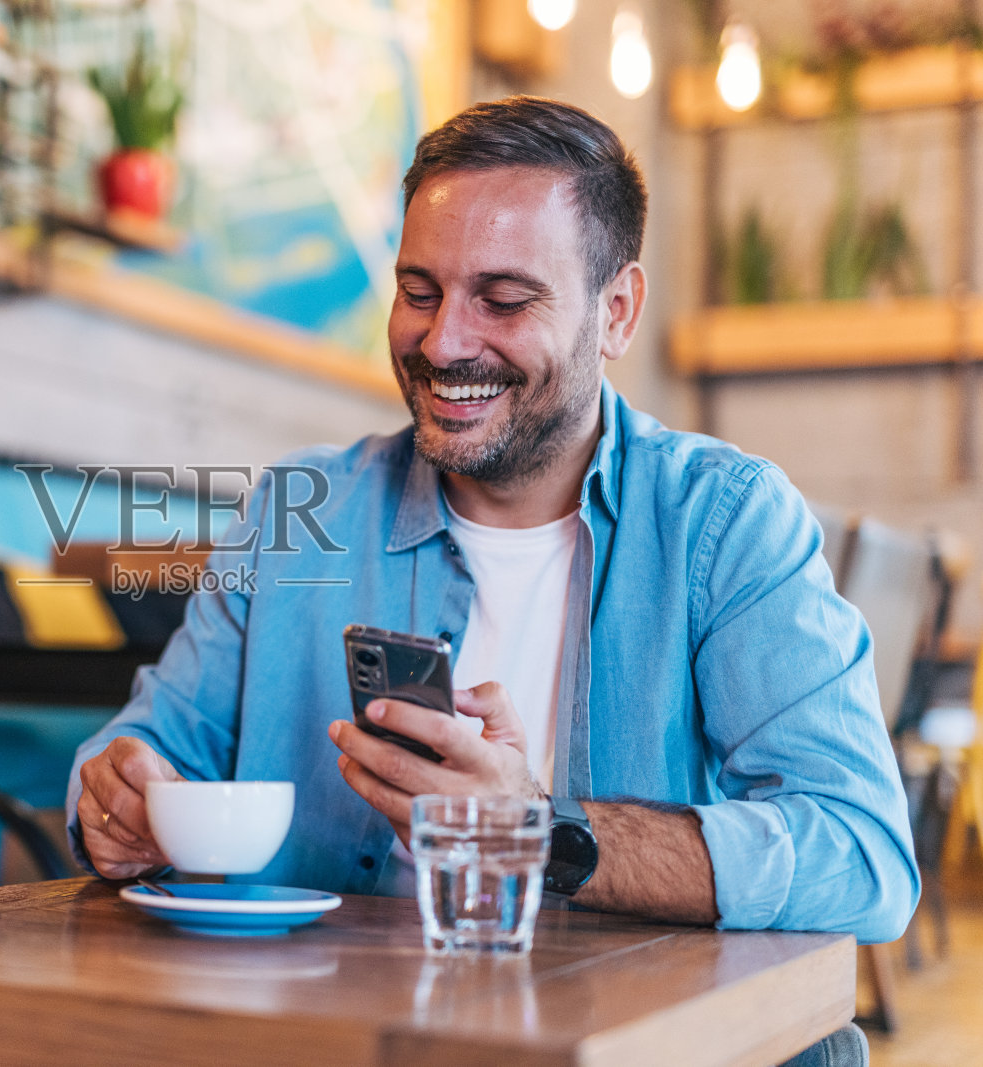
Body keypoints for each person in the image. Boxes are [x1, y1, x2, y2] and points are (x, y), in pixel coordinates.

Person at [65, 96, 918, 948]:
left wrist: (539, 832)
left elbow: (864, 857)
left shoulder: (724, 523)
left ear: (617, 312)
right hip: (316, 1010)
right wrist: (115, 801)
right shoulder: (298, 510)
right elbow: (147, 749)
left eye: (503, 300)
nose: (443, 343)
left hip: (608, 1014)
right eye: (418, 292)